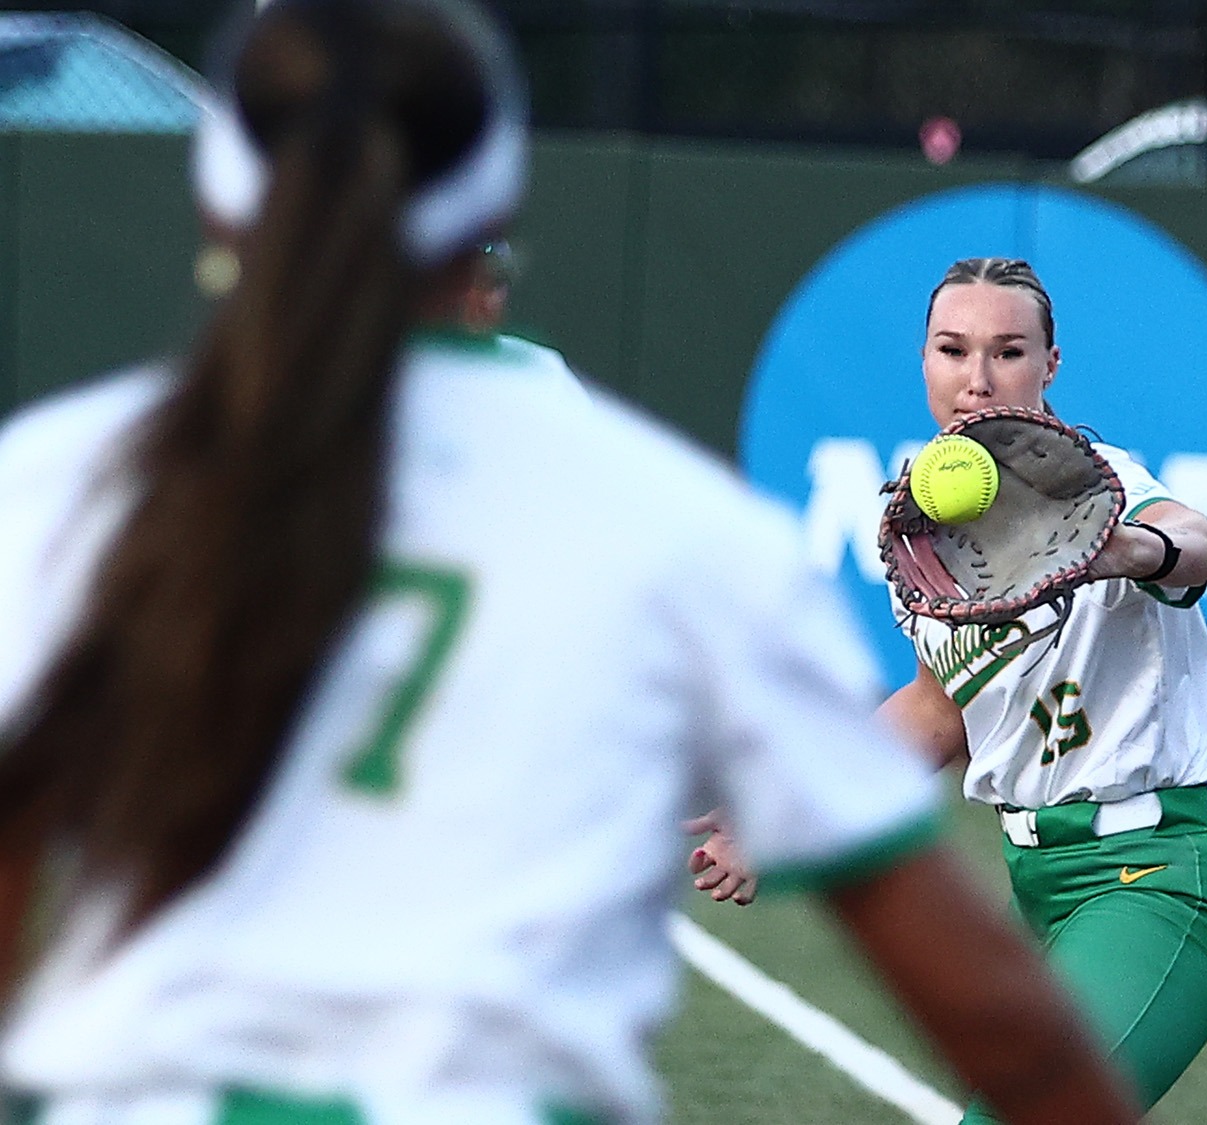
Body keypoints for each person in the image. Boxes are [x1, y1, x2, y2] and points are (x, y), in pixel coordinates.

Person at [0, 5, 1140, 1125]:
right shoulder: (678, 527)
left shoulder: (56, 485)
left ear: (216, 210)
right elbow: (981, 998)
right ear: (491, 219)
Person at [690, 256, 1207, 1120]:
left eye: (1008, 351)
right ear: (924, 360)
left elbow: (1198, 541)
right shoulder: (923, 531)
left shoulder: (1097, 487)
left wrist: (1129, 549)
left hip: (1161, 875)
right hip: (1040, 886)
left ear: (1050, 365)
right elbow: (935, 710)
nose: (978, 378)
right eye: (954, 350)